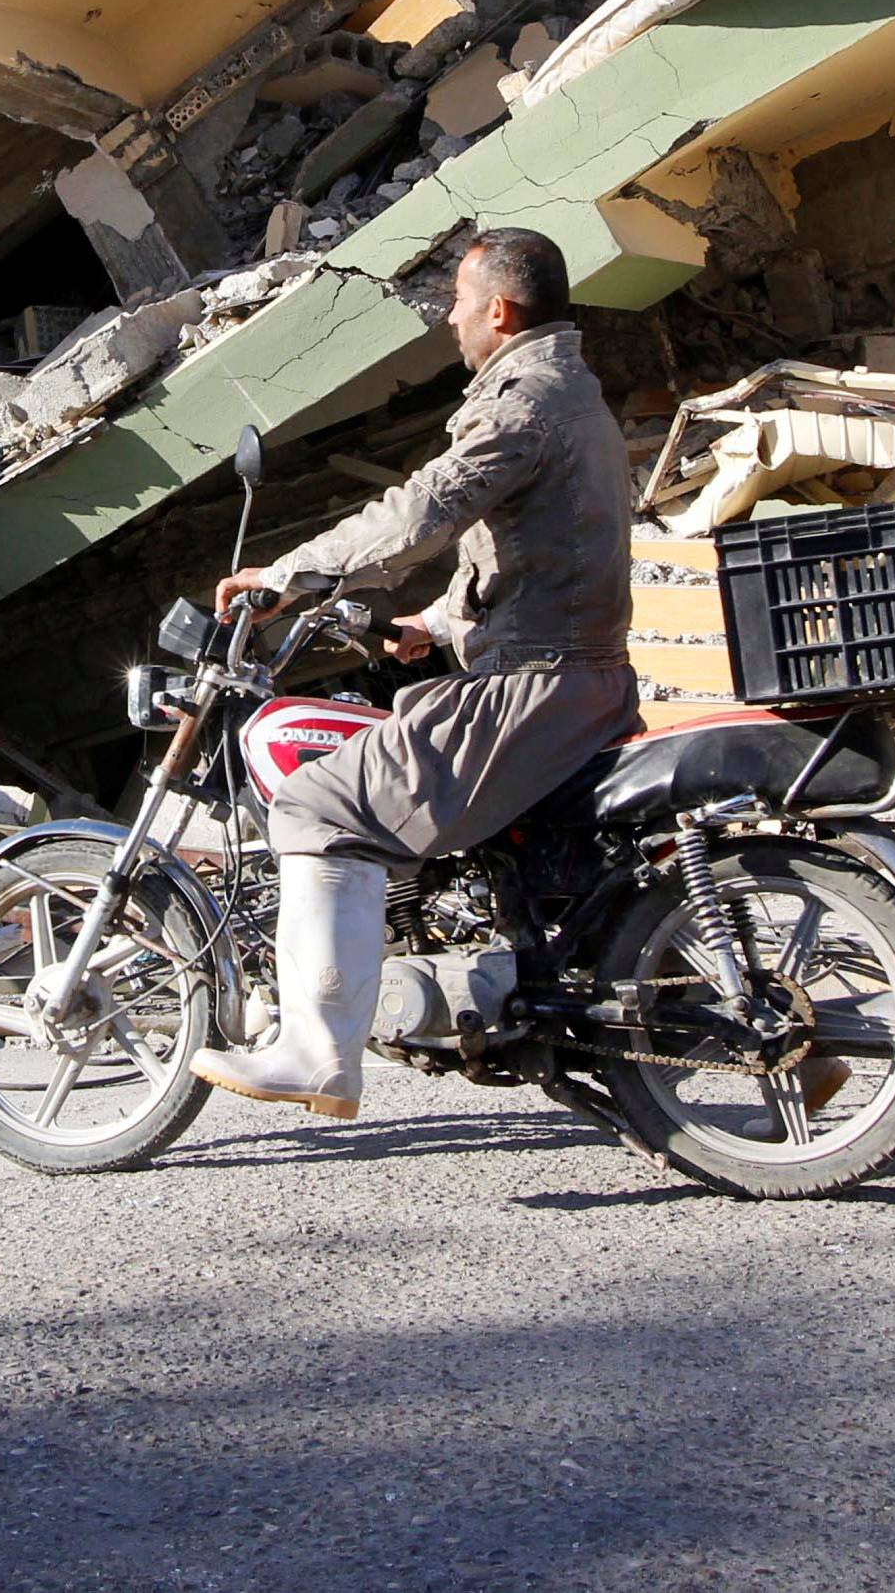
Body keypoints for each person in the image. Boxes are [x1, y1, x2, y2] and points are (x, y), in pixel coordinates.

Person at [190, 225, 639, 1122]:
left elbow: (421, 511)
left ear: (501, 311)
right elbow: (550, 549)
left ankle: (318, 1055)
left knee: (318, 802)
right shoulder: (571, 391)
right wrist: (436, 621)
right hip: (573, 673)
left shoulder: (521, 401)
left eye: (460, 303)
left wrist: (285, 576)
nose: (450, 319)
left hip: (531, 688)